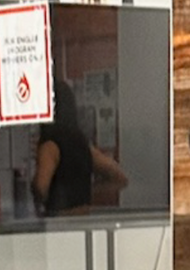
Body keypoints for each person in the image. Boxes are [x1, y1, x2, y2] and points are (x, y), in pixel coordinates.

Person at [33, 80, 129, 219]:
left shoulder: (50, 144)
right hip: (83, 219)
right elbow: (120, 177)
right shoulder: (81, 143)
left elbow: (41, 188)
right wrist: (88, 190)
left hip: (59, 221)